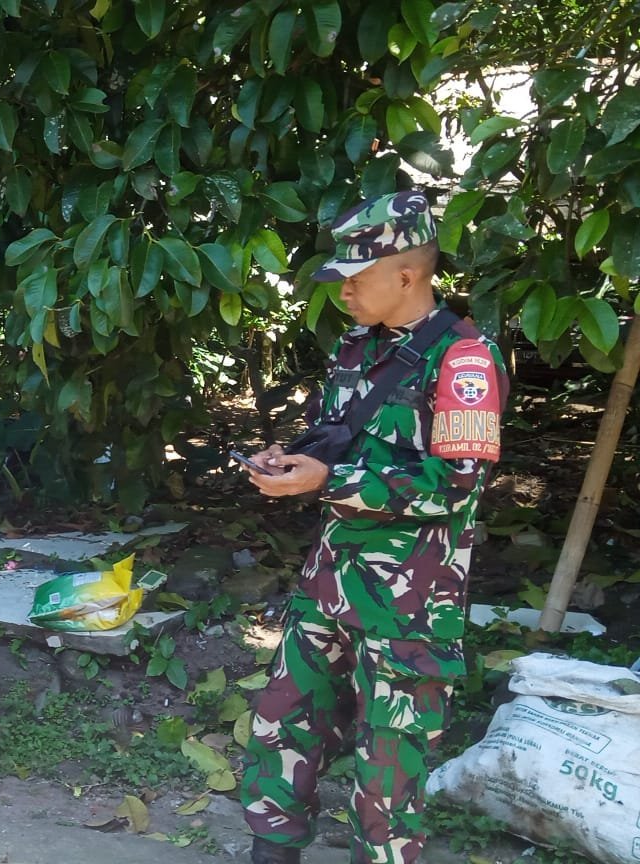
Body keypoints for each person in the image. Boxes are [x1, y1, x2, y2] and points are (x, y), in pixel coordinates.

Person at [237, 190, 508, 864]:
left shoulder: (465, 360)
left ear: (407, 275)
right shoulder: (359, 348)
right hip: (330, 579)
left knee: (390, 760)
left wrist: (329, 481)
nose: (344, 293)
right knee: (283, 721)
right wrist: (291, 460)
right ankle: (272, 851)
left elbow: (457, 485)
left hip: (410, 601)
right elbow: (338, 437)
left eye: (356, 279)